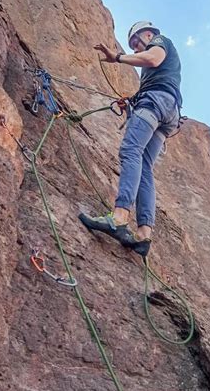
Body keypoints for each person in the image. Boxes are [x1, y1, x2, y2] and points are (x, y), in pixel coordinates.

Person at [78, 21, 182, 257]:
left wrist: (117, 57)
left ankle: (119, 217)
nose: (135, 48)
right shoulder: (157, 71)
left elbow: (153, 58)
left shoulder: (159, 42)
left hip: (157, 104)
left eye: (136, 42)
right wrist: (133, 101)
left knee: (130, 151)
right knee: (145, 167)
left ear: (148, 33)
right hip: (167, 112)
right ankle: (144, 235)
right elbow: (157, 77)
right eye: (132, 46)